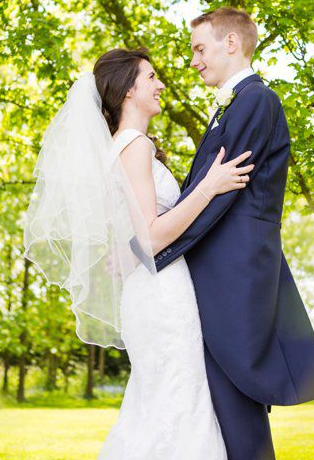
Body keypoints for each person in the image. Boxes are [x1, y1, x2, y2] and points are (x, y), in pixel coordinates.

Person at [25, 47, 253, 459]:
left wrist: (127, 252)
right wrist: (210, 185)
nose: (160, 84)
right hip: (161, 294)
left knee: (162, 407)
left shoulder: (123, 146)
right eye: (151, 77)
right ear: (128, 90)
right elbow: (150, 238)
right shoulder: (133, 145)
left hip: (151, 289)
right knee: (176, 407)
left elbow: (132, 235)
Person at [153, 7, 314, 460]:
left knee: (238, 411)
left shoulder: (256, 100)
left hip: (235, 276)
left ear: (231, 43)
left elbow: (220, 196)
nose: (193, 60)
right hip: (221, 273)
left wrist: (156, 252)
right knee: (220, 407)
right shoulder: (234, 105)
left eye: (200, 48)